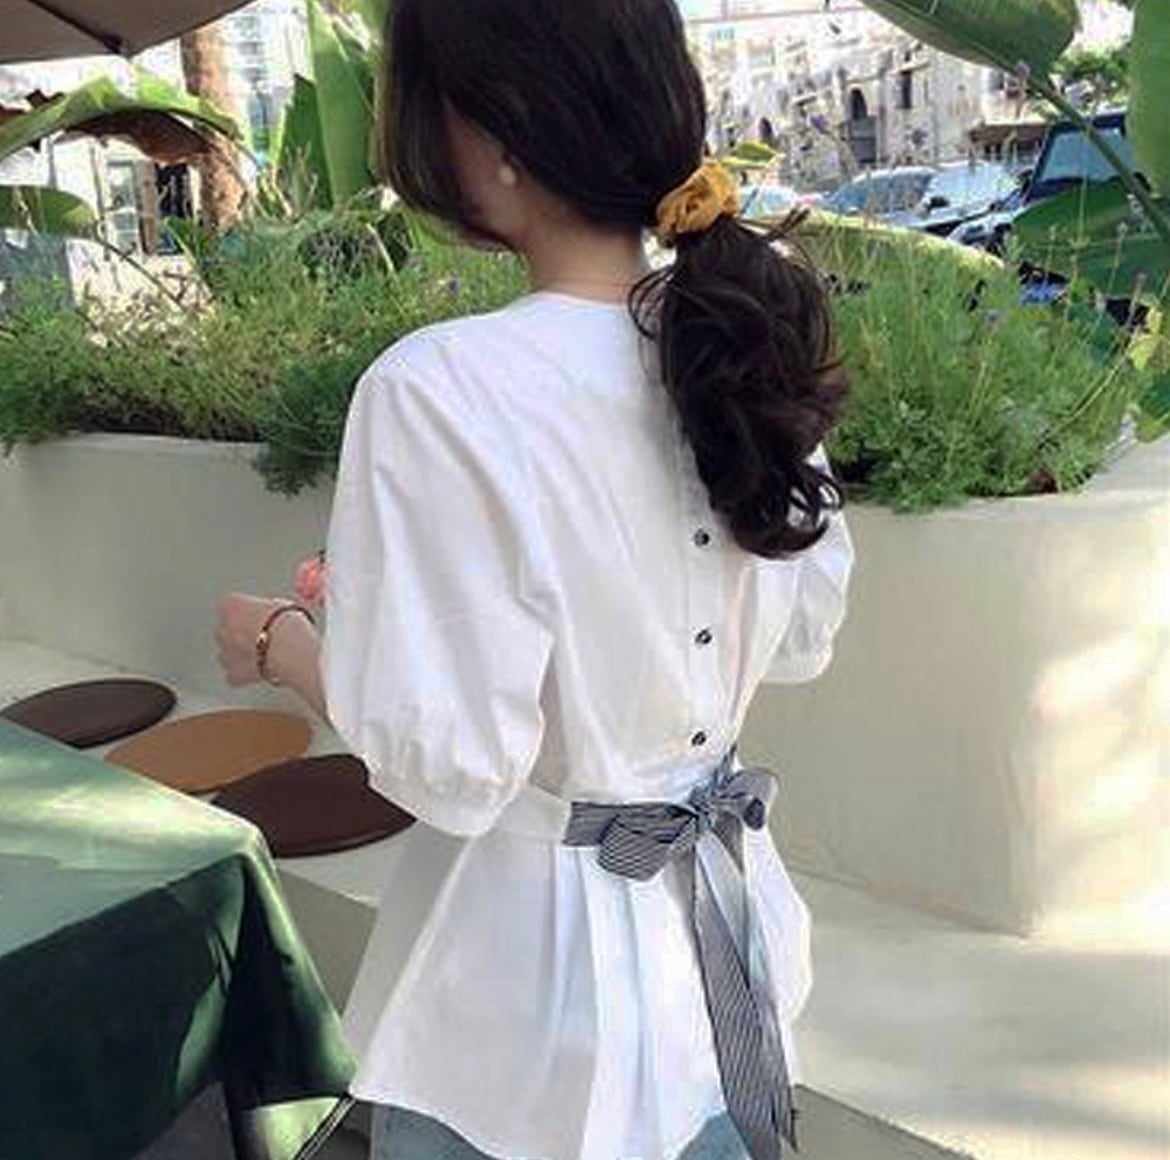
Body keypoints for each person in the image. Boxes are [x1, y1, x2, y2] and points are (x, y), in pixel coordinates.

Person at [214, 1, 854, 1157]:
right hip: (723, 951)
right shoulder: (738, 339)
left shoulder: (441, 388)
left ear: (491, 137)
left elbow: (454, 765)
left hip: (528, 1003)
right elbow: (801, 636)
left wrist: (285, 645)